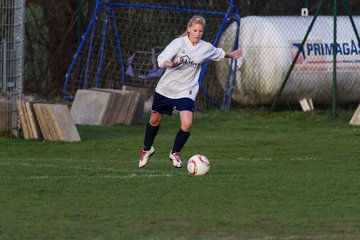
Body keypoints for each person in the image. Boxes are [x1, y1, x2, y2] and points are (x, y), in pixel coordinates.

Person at [138, 15, 243, 168]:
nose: (198, 33)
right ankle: (147, 149)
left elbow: (217, 52)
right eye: (195, 30)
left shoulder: (205, 48)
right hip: (166, 88)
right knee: (154, 120)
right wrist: (171, 64)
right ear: (188, 30)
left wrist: (231, 55)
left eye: (200, 31)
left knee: (187, 124)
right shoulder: (179, 43)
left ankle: (175, 153)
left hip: (186, 91)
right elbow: (162, 58)